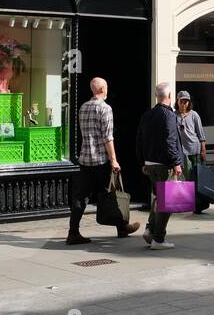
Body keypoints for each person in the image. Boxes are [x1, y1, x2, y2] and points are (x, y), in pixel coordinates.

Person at [67, 77, 141, 244]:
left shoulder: (83, 107)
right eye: (106, 87)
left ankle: (73, 232)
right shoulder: (105, 108)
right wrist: (113, 159)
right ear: (101, 89)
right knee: (112, 193)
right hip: (100, 159)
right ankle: (122, 227)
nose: (107, 90)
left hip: (85, 159)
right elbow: (108, 137)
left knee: (81, 197)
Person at [137, 82, 183, 250]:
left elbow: (139, 141)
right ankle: (158, 239)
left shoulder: (147, 115)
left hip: (150, 165)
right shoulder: (169, 116)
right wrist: (177, 162)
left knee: (158, 198)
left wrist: (143, 161)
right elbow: (170, 141)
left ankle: (150, 229)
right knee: (167, 201)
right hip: (165, 165)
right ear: (170, 96)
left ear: (157, 96)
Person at [176, 91, 211, 215]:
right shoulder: (174, 115)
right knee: (189, 177)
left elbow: (200, 133)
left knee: (198, 178)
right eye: (182, 101)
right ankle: (192, 203)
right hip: (183, 151)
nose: (184, 104)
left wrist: (203, 149)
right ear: (178, 101)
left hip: (196, 149)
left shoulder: (194, 115)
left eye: (186, 102)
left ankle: (199, 204)